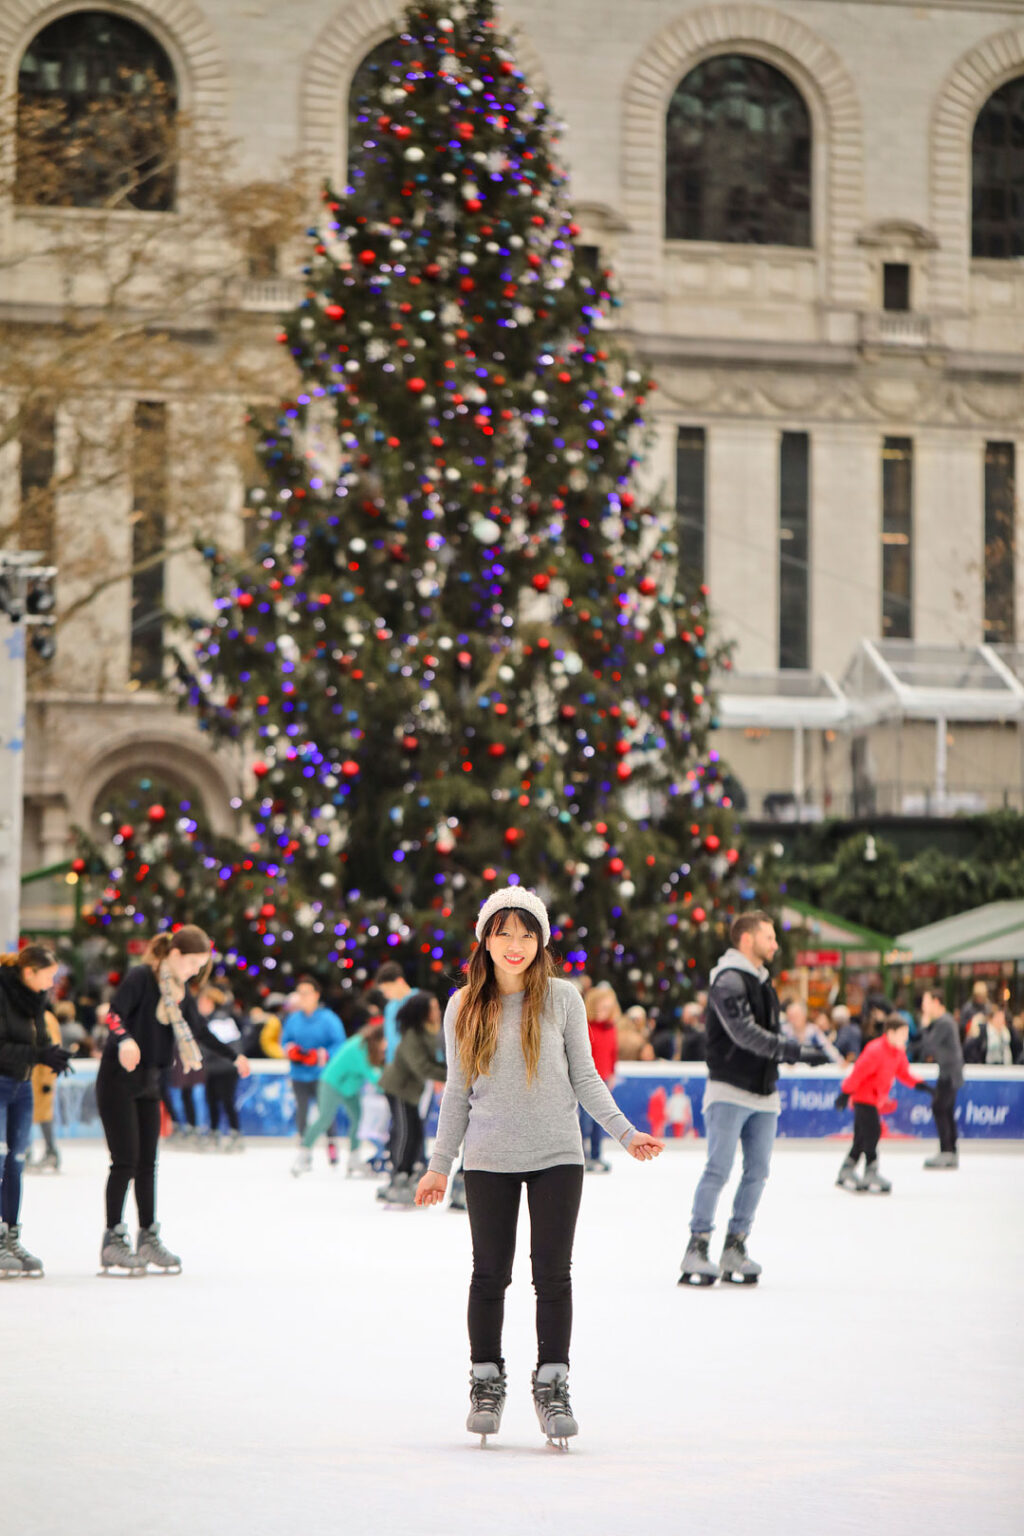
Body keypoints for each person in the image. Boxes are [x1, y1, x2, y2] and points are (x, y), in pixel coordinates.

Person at [415, 886, 663, 1447]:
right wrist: (438, 1166)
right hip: (487, 1159)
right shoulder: (462, 1005)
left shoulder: (563, 999)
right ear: (485, 938)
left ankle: (552, 1384)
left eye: (527, 933)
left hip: (557, 1155)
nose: (516, 944)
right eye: (504, 932)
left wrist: (624, 1134)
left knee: (552, 1275)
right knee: (490, 1275)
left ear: (541, 941)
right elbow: (456, 1094)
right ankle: (486, 1382)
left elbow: (585, 1078)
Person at [680, 911, 828, 1288]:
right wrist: (794, 1051)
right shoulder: (728, 980)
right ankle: (697, 1246)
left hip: (764, 1092)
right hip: (729, 1089)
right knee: (719, 1169)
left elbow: (763, 1033)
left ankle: (735, 1246)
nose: (775, 944)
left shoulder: (762, 983)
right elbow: (744, 1033)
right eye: (770, 937)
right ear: (747, 940)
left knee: (758, 1172)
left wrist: (787, 1056)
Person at [97, 927, 226, 1274]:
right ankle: (113, 1239)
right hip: (118, 1079)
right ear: (176, 954)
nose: (195, 972)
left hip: (151, 1081)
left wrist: (233, 1056)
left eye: (201, 966)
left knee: (147, 1165)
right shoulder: (142, 977)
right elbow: (113, 1014)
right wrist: (124, 1040)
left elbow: (198, 1030)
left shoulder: (179, 992)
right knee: (125, 1161)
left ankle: (148, 1237)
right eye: (193, 964)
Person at [0, 946, 68, 1276]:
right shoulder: (2, 992)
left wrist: (53, 1053)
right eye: (48, 976)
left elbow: (38, 1039)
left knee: (16, 1162)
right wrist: (36, 1054)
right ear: (29, 972)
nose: (51, 983)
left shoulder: (35, 998)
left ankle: (10, 1234)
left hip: (21, 1086)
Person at [834, 1013, 931, 1194]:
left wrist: (921, 1085)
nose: (906, 1038)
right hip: (863, 1098)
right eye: (903, 1034)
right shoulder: (875, 1050)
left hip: (875, 1099)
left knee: (861, 1138)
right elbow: (858, 1074)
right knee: (872, 1132)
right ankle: (871, 1171)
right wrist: (845, 1093)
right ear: (891, 1033)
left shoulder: (898, 1052)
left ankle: (846, 1170)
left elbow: (903, 1073)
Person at [378, 992, 447, 1204]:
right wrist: (451, 1074)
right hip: (398, 1088)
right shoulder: (412, 1036)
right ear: (423, 1012)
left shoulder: (426, 1032)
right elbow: (422, 1067)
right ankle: (399, 1173)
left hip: (409, 1090)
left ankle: (406, 1171)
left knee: (415, 1131)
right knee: (406, 1131)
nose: (437, 1012)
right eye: (433, 1007)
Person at [292, 1023, 386, 1177]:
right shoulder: (360, 1045)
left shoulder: (370, 1047)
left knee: (357, 1120)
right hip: (332, 1083)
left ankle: (354, 1159)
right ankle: (303, 1154)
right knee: (324, 1118)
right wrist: (391, 1086)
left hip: (350, 1087)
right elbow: (371, 1072)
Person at [281, 976, 344, 1164]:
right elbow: (285, 1041)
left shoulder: (329, 1019)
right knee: (302, 1113)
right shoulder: (293, 1019)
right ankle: (304, 1149)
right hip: (299, 1074)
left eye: (306, 993)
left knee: (326, 1112)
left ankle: (332, 1146)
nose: (302, 997)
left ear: (316, 995)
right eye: (299, 993)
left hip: (322, 1076)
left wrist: (320, 1055)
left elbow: (339, 1044)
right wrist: (291, 1050)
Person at [195, 986, 251, 1150]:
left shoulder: (221, 1020)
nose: (200, 1005)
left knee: (226, 1102)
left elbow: (216, 1047)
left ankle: (234, 1134)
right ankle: (215, 1133)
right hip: (213, 1069)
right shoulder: (210, 1020)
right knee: (212, 1101)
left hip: (225, 1069)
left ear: (211, 1002)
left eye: (203, 1002)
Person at [918, 989, 964, 1169]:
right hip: (949, 1072)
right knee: (945, 1110)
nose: (923, 1006)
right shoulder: (945, 1021)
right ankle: (950, 1151)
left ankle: (947, 1151)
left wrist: (924, 1024)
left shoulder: (944, 1022)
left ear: (936, 1002)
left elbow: (929, 1045)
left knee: (939, 1108)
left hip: (949, 1074)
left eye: (926, 1001)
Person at [582, 983, 620, 1171]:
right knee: (584, 1121)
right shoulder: (586, 1027)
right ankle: (582, 1156)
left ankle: (597, 1155)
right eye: (602, 1006)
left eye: (609, 1007)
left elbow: (613, 1052)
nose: (606, 1011)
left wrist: (613, 1072)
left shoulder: (611, 1028)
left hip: (604, 1080)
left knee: (601, 1121)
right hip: (586, 1081)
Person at [28, 1004, 64, 1173]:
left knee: (44, 1117)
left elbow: (53, 1048)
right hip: (27, 1076)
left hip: (41, 1077)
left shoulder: (46, 1019)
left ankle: (51, 1152)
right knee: (28, 1116)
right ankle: (26, 1152)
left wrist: (48, 1078)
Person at [781, 999, 843, 1063]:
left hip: (810, 1069)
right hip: (789, 1070)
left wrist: (840, 1061)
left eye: (796, 1016)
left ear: (804, 1015)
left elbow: (827, 1047)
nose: (793, 1019)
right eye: (791, 1016)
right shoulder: (784, 1031)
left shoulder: (813, 1031)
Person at [375, 962, 413, 1061]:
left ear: (400, 982)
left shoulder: (420, 1001)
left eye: (388, 989)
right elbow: (390, 1039)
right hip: (395, 1065)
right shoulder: (390, 1008)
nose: (386, 995)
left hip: (415, 1064)